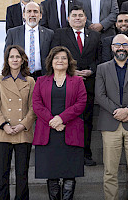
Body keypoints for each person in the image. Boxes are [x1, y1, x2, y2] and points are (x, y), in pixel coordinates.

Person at [95, 34, 128, 200]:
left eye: (124, 45)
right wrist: (117, 111)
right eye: (117, 44)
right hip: (110, 124)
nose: (121, 48)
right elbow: (100, 95)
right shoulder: (102, 68)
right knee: (110, 171)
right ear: (112, 47)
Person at [32, 46, 87, 200]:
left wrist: (61, 118)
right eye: (56, 58)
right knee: (52, 175)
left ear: (69, 62)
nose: (60, 61)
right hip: (48, 133)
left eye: (63, 58)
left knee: (70, 175)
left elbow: (81, 103)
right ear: (51, 61)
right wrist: (52, 121)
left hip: (70, 131)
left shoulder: (77, 81)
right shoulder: (41, 81)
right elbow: (36, 104)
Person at [51, 5, 101, 166]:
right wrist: (71, 71)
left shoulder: (95, 35)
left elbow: (100, 58)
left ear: (86, 18)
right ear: (69, 18)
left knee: (86, 120)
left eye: (81, 15)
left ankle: (86, 153)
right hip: (66, 83)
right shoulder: (60, 34)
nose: (77, 18)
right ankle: (67, 152)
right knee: (67, 118)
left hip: (88, 84)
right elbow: (54, 56)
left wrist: (91, 70)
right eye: (74, 15)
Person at [0, 45, 36, 200]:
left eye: (18, 57)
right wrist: (4, 125)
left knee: (22, 175)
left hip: (23, 132)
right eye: (11, 57)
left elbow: (33, 107)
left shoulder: (30, 81)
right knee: (2, 175)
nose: (15, 59)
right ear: (7, 60)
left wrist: (23, 124)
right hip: (2, 133)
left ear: (23, 60)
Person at [4, 2, 54, 80]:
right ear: (24, 15)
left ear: (40, 16)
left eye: (35, 11)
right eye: (29, 11)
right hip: (20, 76)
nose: (32, 14)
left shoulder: (49, 34)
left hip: (43, 77)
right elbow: (6, 55)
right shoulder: (12, 33)